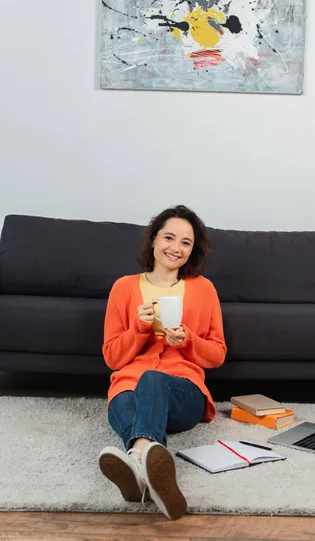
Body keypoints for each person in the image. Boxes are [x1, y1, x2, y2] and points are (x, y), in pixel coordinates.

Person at [99, 205, 226, 520]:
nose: (176, 248)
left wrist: (186, 340)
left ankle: (137, 462)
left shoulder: (204, 289)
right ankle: (146, 465)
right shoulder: (123, 288)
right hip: (127, 388)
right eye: (169, 237)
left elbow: (217, 355)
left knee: (152, 379)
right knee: (130, 393)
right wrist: (139, 329)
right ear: (153, 240)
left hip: (182, 393)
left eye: (186, 242)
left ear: (192, 250)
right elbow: (113, 357)